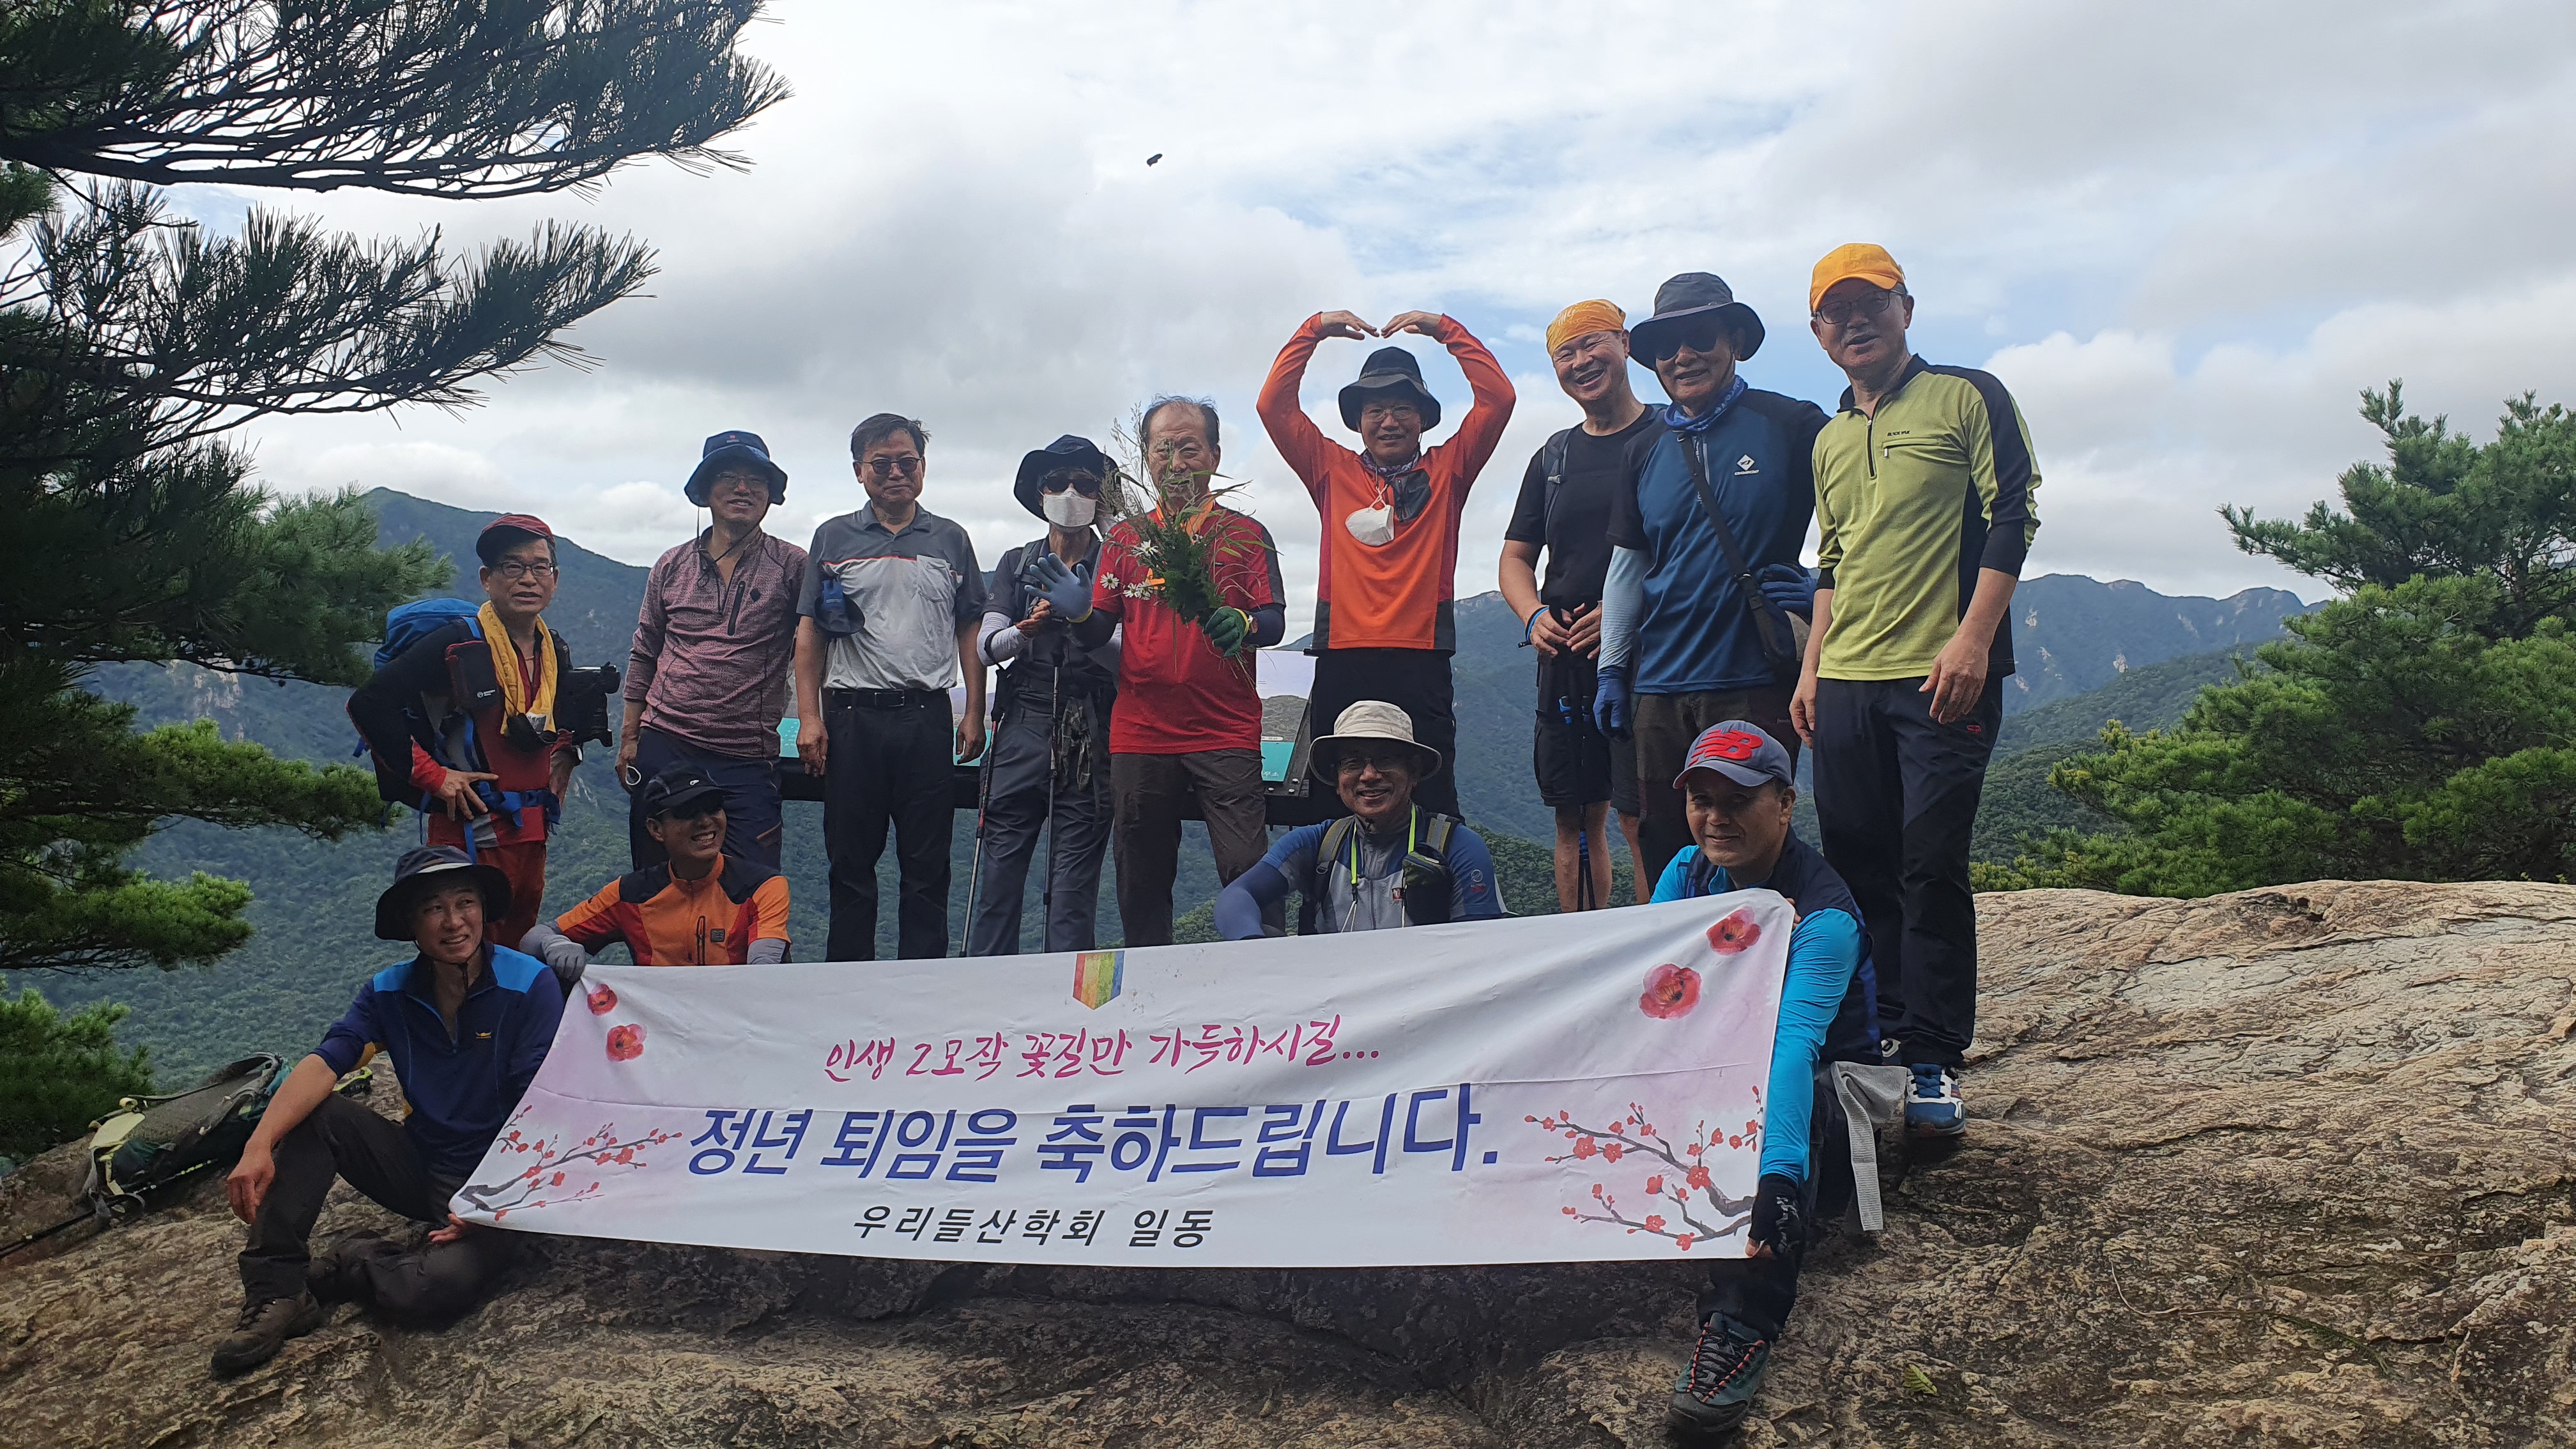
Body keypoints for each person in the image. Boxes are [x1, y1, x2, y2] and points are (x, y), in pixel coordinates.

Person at [1791, 243, 2042, 1138]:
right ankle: (1877, 1035)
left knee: (1930, 864)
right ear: (1818, 332)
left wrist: (1973, 640)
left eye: (1872, 302)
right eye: (1837, 311)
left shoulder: (1968, 395)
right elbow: (1832, 561)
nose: (1855, 321)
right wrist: (1811, 668)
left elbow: (2014, 511)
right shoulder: (1829, 438)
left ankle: (1932, 1055)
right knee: (1858, 865)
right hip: (1846, 678)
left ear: (1906, 307)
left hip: (1942, 674)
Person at [212, 847, 564, 1376]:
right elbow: (327, 1062)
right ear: (410, 924)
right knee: (320, 1114)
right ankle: (278, 1290)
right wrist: (258, 1144)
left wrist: (493, 1203)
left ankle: (352, 1263)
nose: (454, 922)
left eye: (465, 903)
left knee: (435, 1287)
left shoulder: (529, 985)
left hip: (502, 1180)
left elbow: (541, 1106)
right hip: (422, 1164)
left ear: (483, 909)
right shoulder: (388, 992)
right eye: (433, 909)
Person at [1643, 723, 1880, 1440]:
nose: (1716, 818)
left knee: (1791, 1101)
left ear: (1785, 804)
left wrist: (1776, 1184)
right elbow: (1648, 989)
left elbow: (1792, 1050)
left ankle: (1742, 1321)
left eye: (1738, 800)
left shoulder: (1825, 918)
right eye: (1702, 800)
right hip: (1719, 1061)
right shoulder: (1688, 874)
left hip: (1813, 1096)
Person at [1024, 397, 1284, 947]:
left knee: (1248, 868)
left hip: (1226, 729)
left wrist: (1245, 623)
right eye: (1163, 449)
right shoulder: (1125, 540)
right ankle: (1150, 985)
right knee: (1140, 878)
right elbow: (1099, 631)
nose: (1176, 461)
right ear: (1147, 458)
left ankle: (1262, 979)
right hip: (1142, 731)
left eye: (1189, 447)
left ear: (1215, 455)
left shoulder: (1246, 534)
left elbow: (1274, 620)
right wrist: (1078, 614)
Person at [1596, 272, 1828, 878]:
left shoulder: (1792, 425)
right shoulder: (1643, 449)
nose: (1683, 356)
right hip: (1659, 685)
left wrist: (1826, 590)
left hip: (1753, 675)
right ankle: (1678, 946)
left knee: (1753, 843)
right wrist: (1613, 671)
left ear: (1734, 342)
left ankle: (1767, 942)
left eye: (1700, 337)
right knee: (1665, 846)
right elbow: (1628, 566)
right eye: (1664, 347)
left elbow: (1860, 519)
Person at [1257, 307, 1515, 818]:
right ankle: (1333, 875)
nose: (1389, 421)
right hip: (1341, 655)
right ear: (1358, 421)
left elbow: (1499, 398)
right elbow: (1273, 406)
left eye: (1402, 408)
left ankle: (1432, 874)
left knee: (1432, 796)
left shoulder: (1449, 470)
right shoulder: (1330, 469)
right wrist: (1314, 330)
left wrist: (1446, 329)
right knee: (1335, 796)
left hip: (1422, 657)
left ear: (1423, 419)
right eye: (1375, 410)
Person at [793, 413, 988, 961]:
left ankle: (921, 984)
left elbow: (970, 627)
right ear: (859, 471)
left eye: (908, 462)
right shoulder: (833, 537)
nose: (896, 473)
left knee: (928, 864)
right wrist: (810, 717)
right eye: (882, 464)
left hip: (927, 717)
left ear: (923, 467)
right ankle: (848, 980)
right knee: (850, 862)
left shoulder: (952, 539)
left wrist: (974, 712)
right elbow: (810, 632)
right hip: (851, 717)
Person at [348, 515, 582, 951]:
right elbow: (369, 703)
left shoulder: (553, 647)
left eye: (540, 567)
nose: (528, 579)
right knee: (464, 954)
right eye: (512, 567)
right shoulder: (457, 644)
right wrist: (436, 777)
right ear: (487, 579)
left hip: (532, 832)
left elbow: (560, 717)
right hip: (469, 834)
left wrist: (567, 754)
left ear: (555, 579)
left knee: (515, 952)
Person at [1499, 300, 1663, 909]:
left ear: (1625, 344)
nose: (1581, 361)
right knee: (1574, 816)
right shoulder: (1554, 457)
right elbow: (1516, 557)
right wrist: (1533, 616)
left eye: (1593, 344)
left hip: (1648, 656)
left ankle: (1657, 945)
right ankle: (1585, 941)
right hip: (1566, 655)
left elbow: (1689, 548)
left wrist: (1627, 614)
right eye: (1565, 354)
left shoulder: (1668, 437)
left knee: (1640, 814)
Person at [620, 429, 806, 872]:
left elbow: (814, 649)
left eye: (756, 480)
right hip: (666, 741)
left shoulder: (792, 566)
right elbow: (645, 650)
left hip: (747, 754)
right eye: (728, 477)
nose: (743, 488)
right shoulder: (671, 564)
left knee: (753, 883)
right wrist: (630, 737)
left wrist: (816, 721)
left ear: (770, 494)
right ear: (704, 491)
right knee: (658, 880)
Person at [963, 434, 1122, 956]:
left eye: (1085, 483)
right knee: (998, 882)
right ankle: (988, 987)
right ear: (1040, 493)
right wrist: (1026, 631)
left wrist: (1084, 619)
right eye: (1058, 482)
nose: (1070, 492)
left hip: (1092, 726)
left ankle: (1067, 999)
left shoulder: (1119, 565)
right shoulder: (1016, 562)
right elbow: (988, 646)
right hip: (1022, 722)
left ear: (1101, 497)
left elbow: (1131, 657)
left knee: (1072, 892)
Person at [1213, 701, 1504, 938]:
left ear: (1413, 772)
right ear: (1337, 780)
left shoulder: (1454, 846)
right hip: (1337, 989)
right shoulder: (1318, 844)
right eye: (1353, 763)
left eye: (1386, 759)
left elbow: (1479, 943)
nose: (1369, 775)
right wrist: (1252, 946)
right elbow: (1238, 896)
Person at [522, 762, 791, 979]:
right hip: (658, 1025)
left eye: (713, 807)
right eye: (688, 812)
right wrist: (555, 945)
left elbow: (764, 966)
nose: (705, 821)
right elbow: (534, 939)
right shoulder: (630, 894)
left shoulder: (762, 886)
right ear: (655, 829)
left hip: (737, 1020)